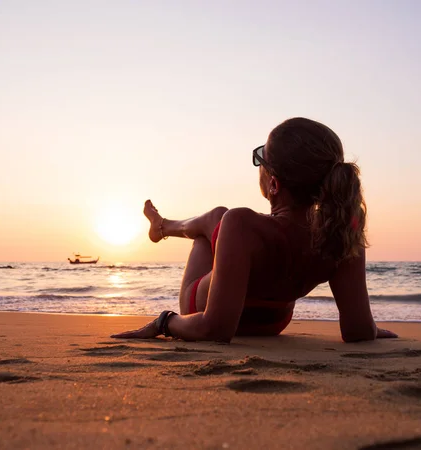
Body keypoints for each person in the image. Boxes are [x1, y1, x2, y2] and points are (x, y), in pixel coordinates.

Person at [112, 117, 397, 343]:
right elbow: (358, 330)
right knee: (220, 218)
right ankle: (162, 227)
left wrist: (164, 321)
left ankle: (161, 227)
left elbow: (215, 329)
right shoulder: (341, 230)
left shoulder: (241, 225)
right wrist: (373, 330)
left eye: (261, 159)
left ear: (274, 184)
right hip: (274, 324)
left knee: (218, 218)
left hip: (199, 311)